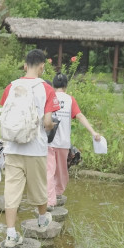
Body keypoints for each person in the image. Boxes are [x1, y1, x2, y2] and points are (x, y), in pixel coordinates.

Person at [0, 49, 60, 248]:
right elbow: (48, 121)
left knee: (12, 190)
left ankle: (10, 234)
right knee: (39, 186)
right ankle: (43, 219)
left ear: (25, 65)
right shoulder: (46, 88)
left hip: (12, 147)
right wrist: (50, 126)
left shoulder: (11, 86)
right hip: (35, 148)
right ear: (42, 66)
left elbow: (5, 110)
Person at [47, 73, 101, 208]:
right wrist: (93, 132)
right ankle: (57, 194)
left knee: (48, 171)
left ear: (53, 85)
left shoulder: (49, 97)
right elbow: (80, 116)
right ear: (66, 86)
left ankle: (49, 200)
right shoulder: (70, 100)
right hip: (63, 143)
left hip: (48, 141)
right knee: (61, 171)